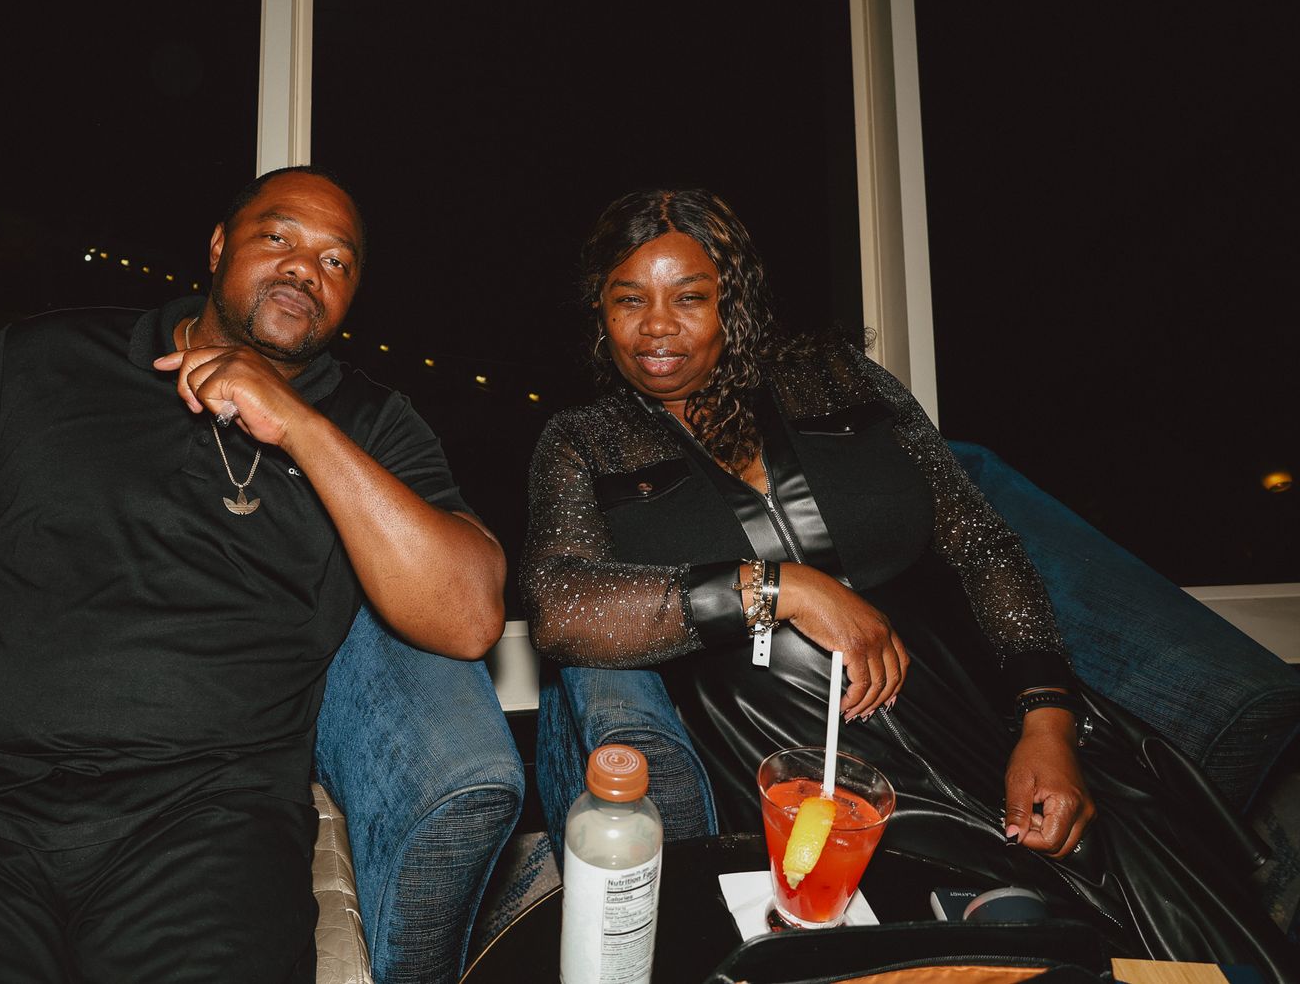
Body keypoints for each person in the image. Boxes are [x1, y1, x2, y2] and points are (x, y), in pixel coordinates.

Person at [0, 166, 507, 983]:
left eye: (337, 261)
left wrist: (298, 423)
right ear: (219, 246)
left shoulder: (371, 423)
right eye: (278, 237)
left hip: (207, 831)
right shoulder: (43, 360)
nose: (306, 268)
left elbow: (468, 613)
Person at [521, 186, 1294, 974]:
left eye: (690, 297)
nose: (656, 325)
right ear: (600, 312)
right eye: (629, 299)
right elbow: (559, 605)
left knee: (1183, 934)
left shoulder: (837, 378)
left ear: (735, 303)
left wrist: (1047, 721)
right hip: (792, 760)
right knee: (982, 946)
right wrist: (782, 587)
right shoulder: (584, 441)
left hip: (967, 713)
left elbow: (983, 548)